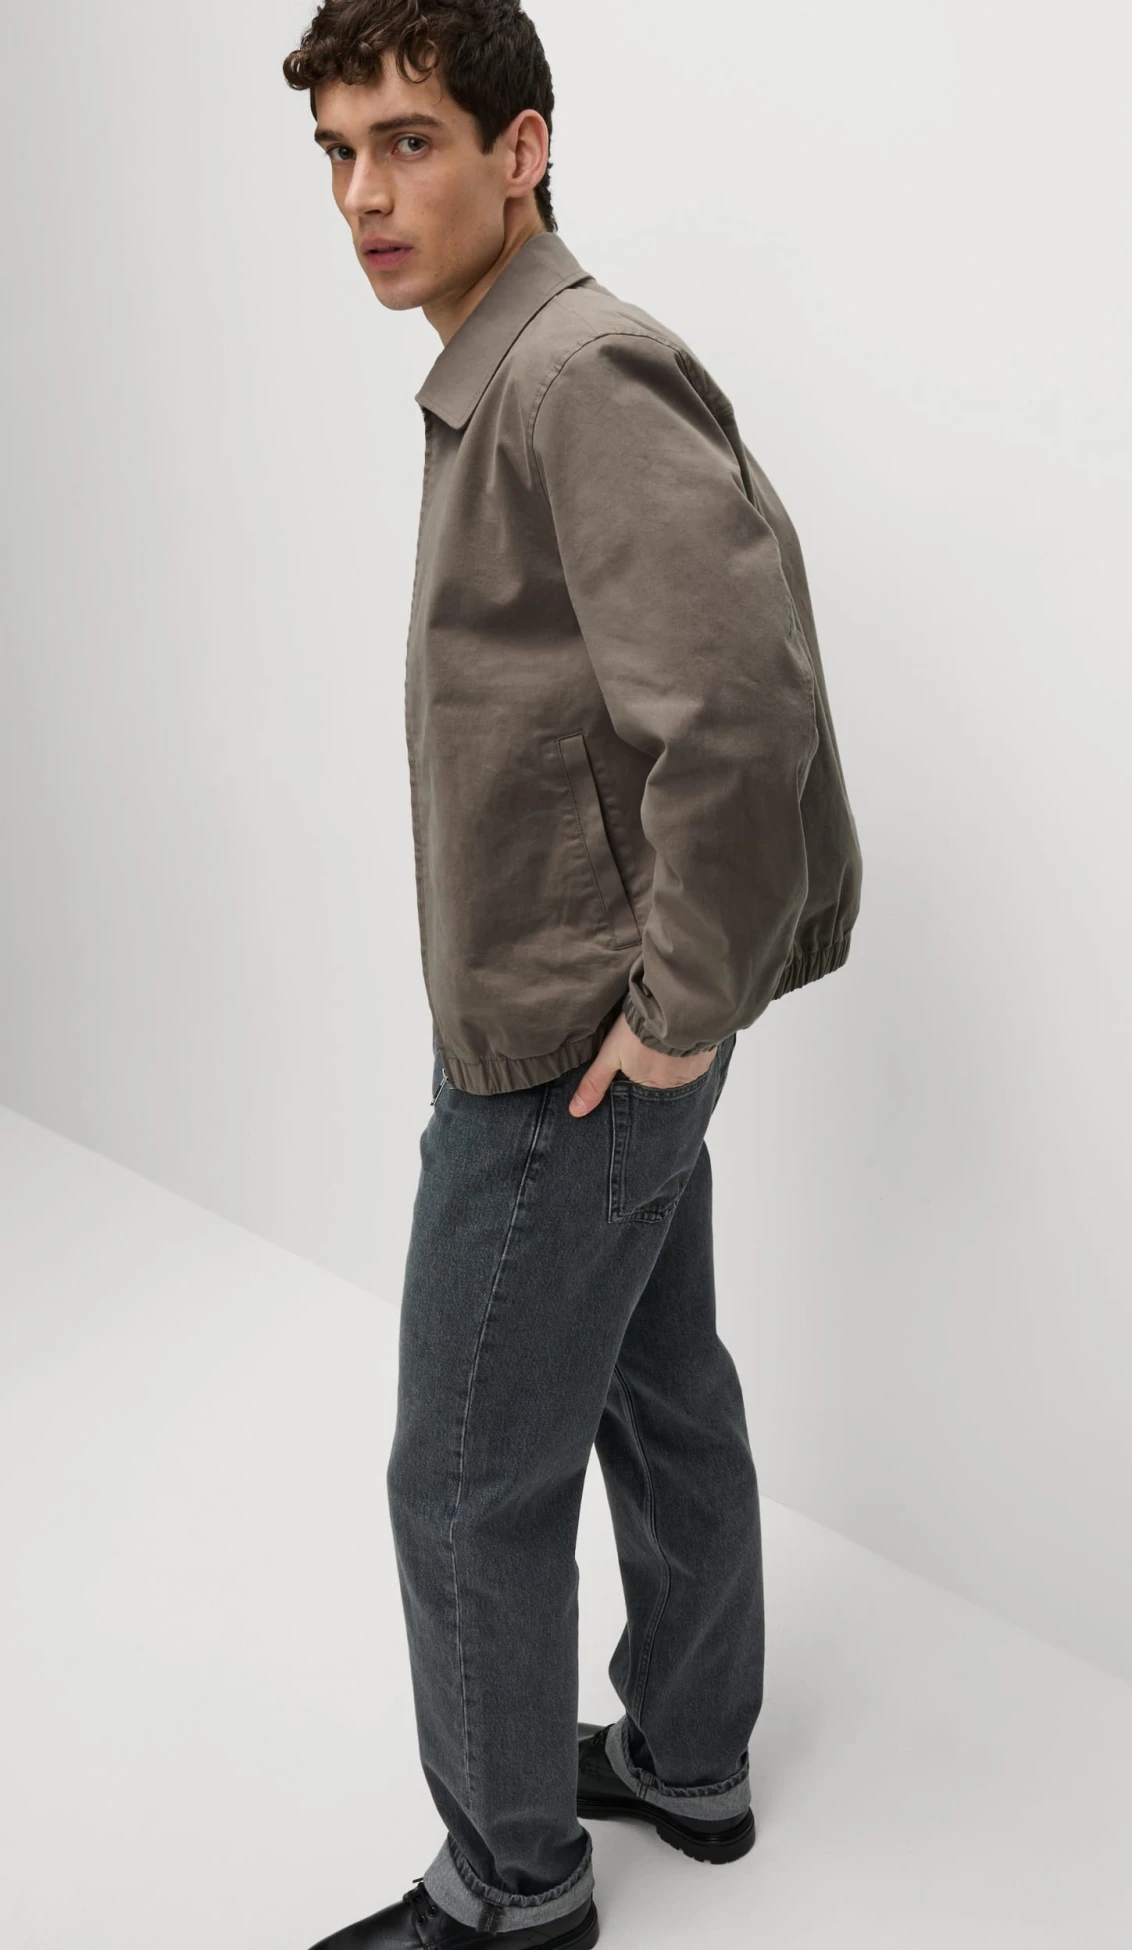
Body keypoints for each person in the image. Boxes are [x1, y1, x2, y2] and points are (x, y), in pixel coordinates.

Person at [283, 3, 862, 1943]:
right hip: (603, 1015)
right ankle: (689, 1753)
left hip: (573, 1043)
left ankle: (511, 1887)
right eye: (340, 152)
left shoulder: (572, 372)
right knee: (655, 1385)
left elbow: (740, 713)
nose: (365, 196)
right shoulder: (510, 365)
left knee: (463, 1477)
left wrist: (676, 1013)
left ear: (521, 150)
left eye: (411, 142)